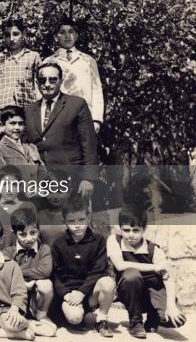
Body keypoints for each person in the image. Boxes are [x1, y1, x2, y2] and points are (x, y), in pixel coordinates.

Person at [108, 206, 186, 338]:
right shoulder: (114, 240)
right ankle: (136, 322)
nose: (130, 235)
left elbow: (168, 278)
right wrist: (154, 267)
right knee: (131, 275)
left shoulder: (154, 249)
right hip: (128, 288)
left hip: (151, 290)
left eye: (136, 230)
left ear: (144, 229)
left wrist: (171, 306)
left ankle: (153, 317)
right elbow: (120, 265)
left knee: (177, 319)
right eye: (126, 230)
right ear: (120, 228)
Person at [24, 63, 97, 197]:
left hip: (71, 179)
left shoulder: (76, 105)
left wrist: (88, 178)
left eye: (52, 79)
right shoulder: (29, 110)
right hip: (41, 183)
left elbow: (89, 143)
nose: (47, 84)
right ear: (37, 82)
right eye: (42, 80)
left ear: (61, 81)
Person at [51, 196, 115, 337]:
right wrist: (65, 294)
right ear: (64, 222)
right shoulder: (59, 244)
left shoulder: (98, 240)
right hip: (69, 295)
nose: (77, 225)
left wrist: (82, 292)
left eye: (81, 220)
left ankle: (102, 319)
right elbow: (54, 274)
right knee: (74, 318)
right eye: (71, 221)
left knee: (108, 283)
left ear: (88, 218)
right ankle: (80, 317)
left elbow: (99, 269)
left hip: (89, 293)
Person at [43, 17, 104, 133]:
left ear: (76, 35)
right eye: (62, 32)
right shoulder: (49, 61)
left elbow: (96, 90)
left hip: (84, 118)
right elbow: (43, 92)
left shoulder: (88, 61)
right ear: (56, 37)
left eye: (71, 32)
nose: (67, 36)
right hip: (57, 119)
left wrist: (96, 119)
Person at [3, 208, 56, 336]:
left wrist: (19, 273)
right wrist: (23, 282)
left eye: (33, 232)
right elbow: (6, 273)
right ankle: (23, 320)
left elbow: (45, 271)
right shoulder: (8, 252)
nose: (29, 238)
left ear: (38, 230)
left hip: (36, 297)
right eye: (23, 234)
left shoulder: (44, 249)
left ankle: (41, 316)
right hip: (15, 295)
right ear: (15, 233)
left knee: (46, 284)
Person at [0, 19, 40, 132]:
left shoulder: (33, 56)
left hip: (27, 110)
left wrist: (39, 111)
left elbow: (37, 86)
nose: (11, 39)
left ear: (23, 34)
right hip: (4, 111)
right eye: (7, 35)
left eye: (15, 34)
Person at [0, 105, 45, 183]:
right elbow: (2, 181)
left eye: (20, 123)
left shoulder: (32, 147)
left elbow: (44, 174)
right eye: (12, 123)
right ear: (3, 125)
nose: (17, 127)